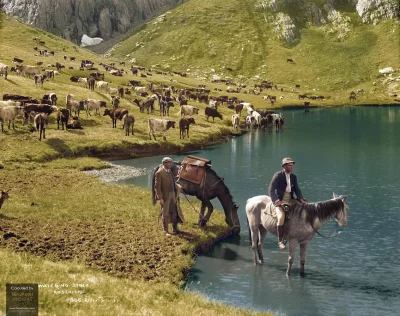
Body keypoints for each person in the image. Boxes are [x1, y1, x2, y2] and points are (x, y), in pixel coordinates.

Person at [268, 157, 307, 249]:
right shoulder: (278, 175)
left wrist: (301, 199)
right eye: (289, 165)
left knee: (304, 210)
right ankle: (280, 241)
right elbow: (271, 189)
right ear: (284, 166)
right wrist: (277, 201)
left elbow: (297, 189)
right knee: (281, 217)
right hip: (280, 199)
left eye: (292, 165)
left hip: (290, 199)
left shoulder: (294, 177)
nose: (291, 166)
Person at [154, 157, 183, 236]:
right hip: (165, 197)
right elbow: (157, 187)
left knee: (174, 212)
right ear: (164, 163)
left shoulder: (169, 171)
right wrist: (160, 198)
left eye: (171, 163)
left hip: (172, 195)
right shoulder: (159, 173)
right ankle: (166, 230)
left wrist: (178, 187)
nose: (171, 164)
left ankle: (175, 228)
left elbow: (172, 182)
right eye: (169, 163)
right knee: (165, 213)